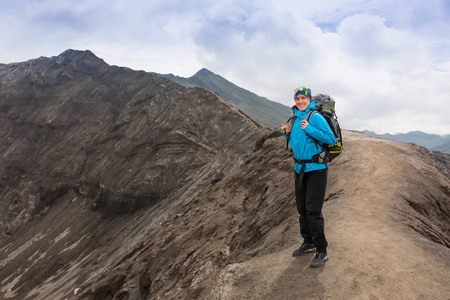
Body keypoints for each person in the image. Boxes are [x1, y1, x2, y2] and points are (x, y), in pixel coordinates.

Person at [284, 86, 336, 268]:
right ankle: (309, 243)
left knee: (313, 211)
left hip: (316, 169)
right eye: (297, 99)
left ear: (309, 99)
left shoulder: (315, 117)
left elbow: (331, 139)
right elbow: (296, 143)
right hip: (299, 169)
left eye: (303, 98)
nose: (300, 102)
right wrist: (287, 133)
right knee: (302, 209)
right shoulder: (295, 119)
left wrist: (310, 129)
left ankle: (322, 250)